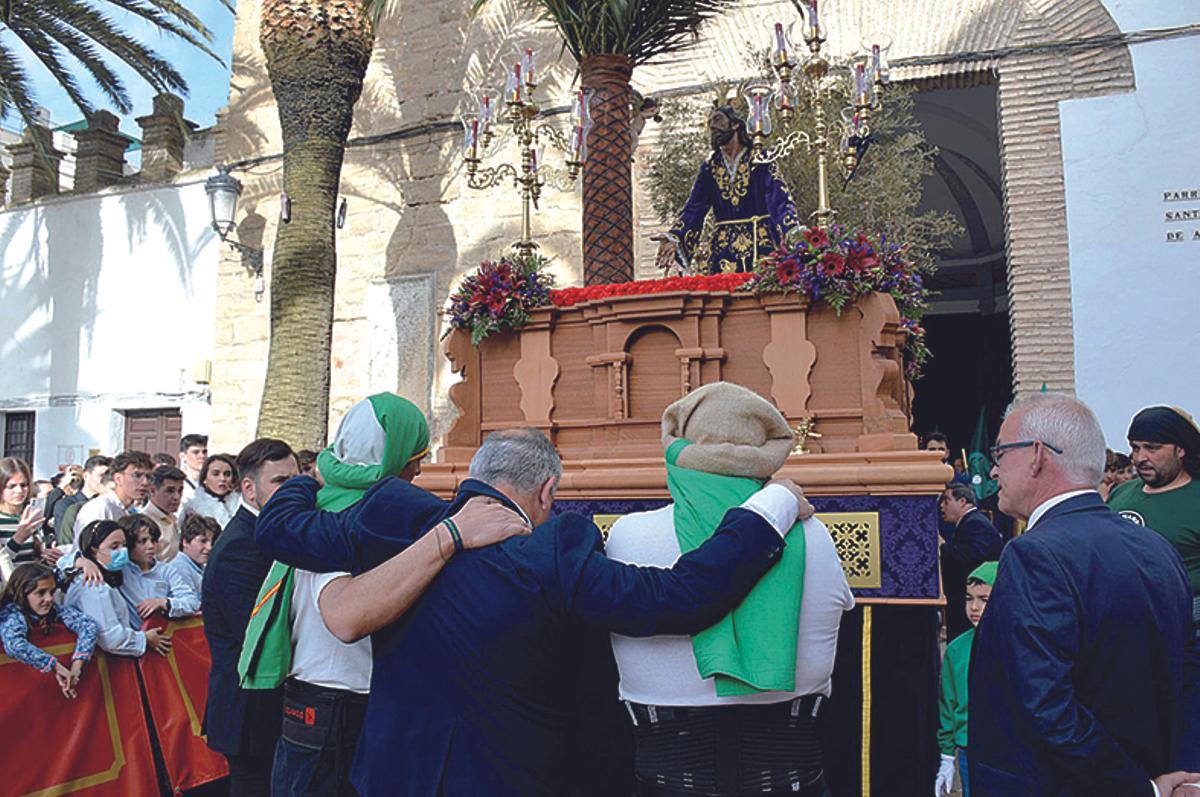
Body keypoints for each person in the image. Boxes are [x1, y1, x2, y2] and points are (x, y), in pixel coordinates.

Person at [256, 425, 811, 796]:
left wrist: (315, 476)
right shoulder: (555, 551)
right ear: (546, 492)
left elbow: (282, 530)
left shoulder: (394, 518)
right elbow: (682, 597)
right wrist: (769, 508)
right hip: (504, 779)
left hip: (390, 774)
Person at [605, 383, 853, 797]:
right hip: (793, 782)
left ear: (678, 454)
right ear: (765, 460)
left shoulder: (628, 535)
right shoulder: (815, 536)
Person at [969, 393, 1199, 796]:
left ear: (1037, 455)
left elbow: (1045, 706)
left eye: (1000, 452)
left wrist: (1139, 788)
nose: (993, 468)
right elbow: (1181, 682)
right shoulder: (1157, 548)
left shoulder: (1034, 554)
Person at [242, 394, 439, 797]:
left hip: (327, 703)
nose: (419, 467)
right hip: (336, 705)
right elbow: (344, 617)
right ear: (397, 455)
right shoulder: (351, 515)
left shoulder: (319, 504)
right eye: (415, 455)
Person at [202, 439, 300, 797]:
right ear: (248, 487)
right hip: (250, 707)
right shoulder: (241, 545)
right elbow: (257, 630)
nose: (293, 491)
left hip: (271, 704)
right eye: (280, 482)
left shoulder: (273, 532)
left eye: (296, 480)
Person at [655, 105, 800, 274]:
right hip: (723, 250)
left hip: (761, 243)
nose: (712, 126)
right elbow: (694, 207)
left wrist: (793, 231)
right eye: (710, 123)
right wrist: (675, 237)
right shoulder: (710, 167)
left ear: (735, 124)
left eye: (717, 120)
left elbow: (779, 201)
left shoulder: (761, 159)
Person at [1107, 406, 1200, 618]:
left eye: (1152, 448)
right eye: (1135, 448)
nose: (1140, 458)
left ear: (1181, 449)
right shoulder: (1121, 493)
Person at [64, 520, 172, 658]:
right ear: (94, 550)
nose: (122, 551)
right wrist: (145, 638)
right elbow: (111, 638)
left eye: (124, 545)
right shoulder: (94, 585)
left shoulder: (110, 575)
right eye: (114, 546)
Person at [935, 561, 996, 797]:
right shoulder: (957, 649)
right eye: (969, 598)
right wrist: (947, 756)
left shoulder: (1016, 645)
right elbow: (949, 703)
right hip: (969, 748)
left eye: (984, 600)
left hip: (1006, 749)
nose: (974, 607)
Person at [0, 562, 98, 698]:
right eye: (41, 593)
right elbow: (15, 645)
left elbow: (88, 625)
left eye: (51, 592)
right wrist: (55, 666)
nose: (49, 599)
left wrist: (77, 664)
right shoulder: (12, 614)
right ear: (22, 593)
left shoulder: (54, 610)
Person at [938, 482, 1003, 641]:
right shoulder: (968, 522)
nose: (941, 506)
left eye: (947, 501)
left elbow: (972, 557)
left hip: (973, 598)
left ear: (962, 502)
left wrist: (942, 546)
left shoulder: (975, 522)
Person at [112, 515, 200, 627]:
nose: (151, 546)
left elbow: (192, 603)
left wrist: (163, 602)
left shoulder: (166, 571)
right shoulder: (120, 571)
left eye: (153, 541)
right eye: (143, 541)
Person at [72, 451, 153, 539]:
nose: (145, 482)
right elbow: (85, 548)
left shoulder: (131, 511)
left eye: (148, 477)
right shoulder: (100, 508)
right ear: (118, 478)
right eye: (137, 475)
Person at [0, 457, 45, 573]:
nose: (19, 491)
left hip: (31, 584)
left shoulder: (31, 515)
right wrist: (18, 539)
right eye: (12, 486)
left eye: (24, 485)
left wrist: (47, 555)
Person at [55, 455, 110, 547]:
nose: (105, 480)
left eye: (108, 476)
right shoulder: (66, 504)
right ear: (86, 476)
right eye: (101, 475)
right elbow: (65, 542)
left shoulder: (106, 504)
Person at [166, 514, 217, 599]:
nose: (209, 547)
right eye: (203, 541)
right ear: (185, 542)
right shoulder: (179, 568)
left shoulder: (199, 566)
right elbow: (190, 607)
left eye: (212, 542)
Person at [184, 453, 240, 528]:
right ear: (204, 479)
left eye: (227, 474)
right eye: (216, 474)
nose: (222, 478)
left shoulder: (241, 503)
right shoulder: (193, 509)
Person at [143, 466, 186, 561]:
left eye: (180, 490)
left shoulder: (172, 517)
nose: (176, 496)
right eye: (170, 491)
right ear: (153, 490)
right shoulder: (145, 523)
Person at [178, 434, 209, 515]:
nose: (202, 456)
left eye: (204, 452)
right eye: (196, 452)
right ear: (183, 456)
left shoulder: (210, 484)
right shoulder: (178, 484)